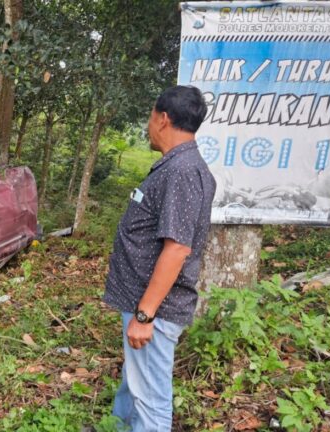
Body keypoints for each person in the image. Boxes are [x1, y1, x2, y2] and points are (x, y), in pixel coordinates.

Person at [103, 85, 216, 431]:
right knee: (134, 382)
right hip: (145, 302)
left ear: (163, 119)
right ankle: (119, 426)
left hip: (155, 309)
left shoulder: (181, 172)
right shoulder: (176, 167)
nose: (149, 124)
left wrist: (144, 314)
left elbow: (178, 248)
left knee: (151, 399)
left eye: (151, 116)